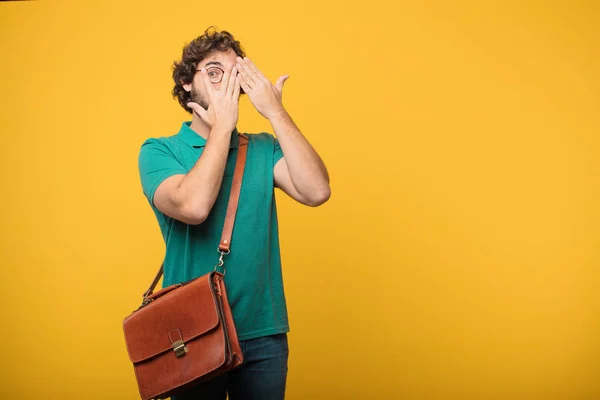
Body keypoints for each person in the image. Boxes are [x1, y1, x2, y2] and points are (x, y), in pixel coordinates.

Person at [137, 26, 331, 400]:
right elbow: (192, 207)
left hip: (263, 335)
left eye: (234, 74)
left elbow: (317, 191)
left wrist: (275, 111)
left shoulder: (261, 149)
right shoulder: (160, 151)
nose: (226, 85)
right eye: (213, 73)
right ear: (186, 83)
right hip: (191, 333)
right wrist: (222, 127)